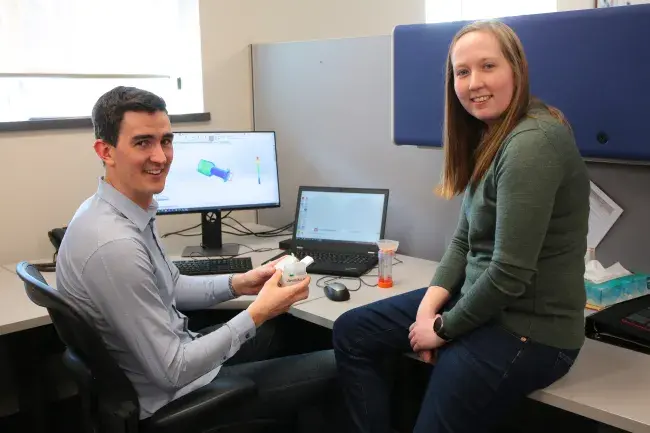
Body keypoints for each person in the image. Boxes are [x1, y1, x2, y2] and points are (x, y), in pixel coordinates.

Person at [333, 19, 590, 433]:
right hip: (483, 305)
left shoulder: (532, 142)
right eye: (463, 71)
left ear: (516, 70)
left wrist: (442, 329)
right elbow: (463, 241)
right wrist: (428, 308)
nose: (474, 83)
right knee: (352, 333)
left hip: (530, 331)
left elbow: (509, 273)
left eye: (489, 66)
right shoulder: (493, 135)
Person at [56, 86, 340, 427]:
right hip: (176, 395)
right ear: (106, 151)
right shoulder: (114, 245)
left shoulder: (119, 210)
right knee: (342, 362)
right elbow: (173, 370)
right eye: (143, 142)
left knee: (294, 333)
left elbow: (171, 286)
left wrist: (241, 283)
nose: (161, 157)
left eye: (166, 141)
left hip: (178, 360)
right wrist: (259, 311)